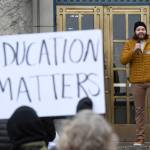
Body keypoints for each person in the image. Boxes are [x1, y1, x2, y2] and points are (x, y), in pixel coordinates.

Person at [120, 21, 150, 145]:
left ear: (146, 31)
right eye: (138, 29)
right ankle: (140, 138)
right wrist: (134, 50)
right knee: (139, 111)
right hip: (137, 82)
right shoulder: (129, 43)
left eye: (143, 29)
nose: (141, 31)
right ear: (135, 32)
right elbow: (122, 60)